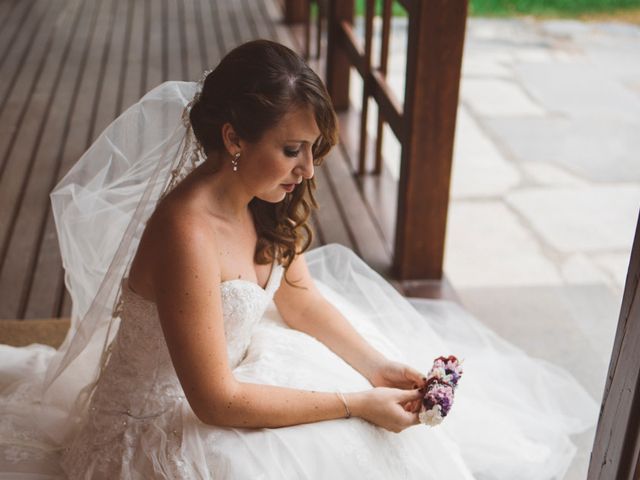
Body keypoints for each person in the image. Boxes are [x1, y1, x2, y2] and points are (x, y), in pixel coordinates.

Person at [0, 40, 597, 479]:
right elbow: (216, 401)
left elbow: (299, 297)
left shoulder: (263, 197)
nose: (308, 171)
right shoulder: (186, 231)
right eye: (292, 150)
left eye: (311, 150)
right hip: (166, 424)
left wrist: (376, 368)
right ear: (235, 139)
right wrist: (354, 402)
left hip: (232, 378)